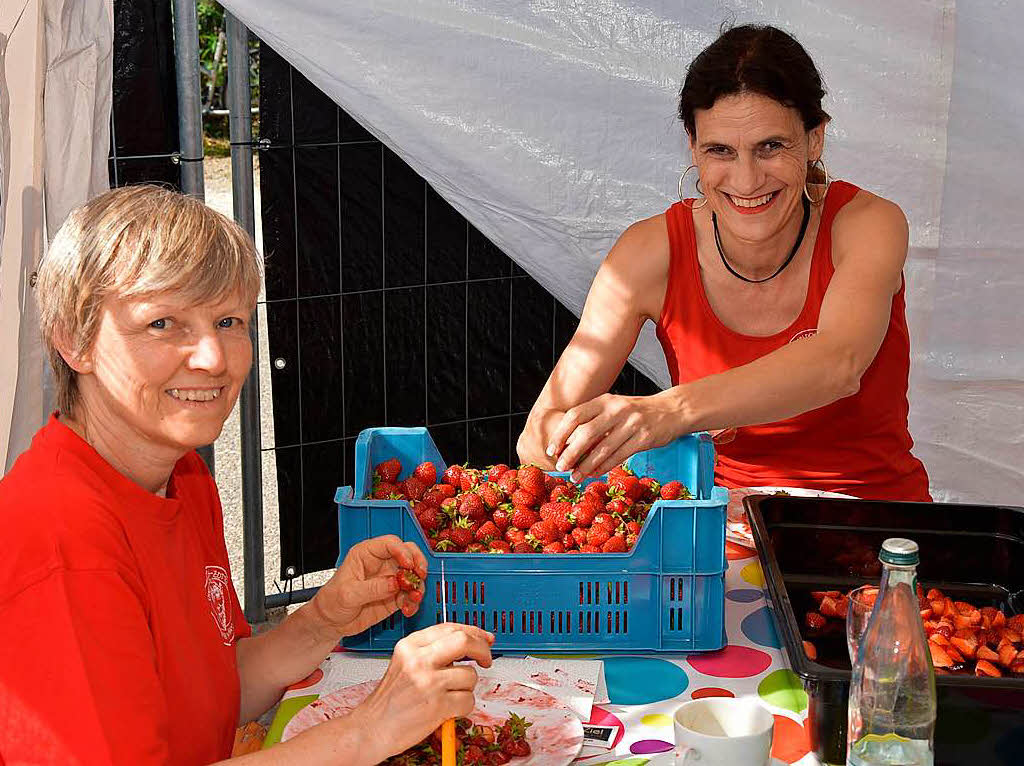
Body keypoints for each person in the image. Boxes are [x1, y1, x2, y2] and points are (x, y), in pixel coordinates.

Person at [0, 185, 493, 765]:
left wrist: (323, 619)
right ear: (74, 340)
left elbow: (211, 693)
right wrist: (370, 730)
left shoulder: (181, 474)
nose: (213, 357)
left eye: (229, 319)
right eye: (162, 323)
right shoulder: (61, 540)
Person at [517, 24, 930, 501]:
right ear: (692, 146)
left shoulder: (868, 222)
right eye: (720, 151)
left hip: (874, 523)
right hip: (717, 535)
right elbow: (538, 436)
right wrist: (585, 446)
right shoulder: (648, 251)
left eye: (771, 146)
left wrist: (667, 412)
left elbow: (838, 363)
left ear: (814, 139)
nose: (747, 179)